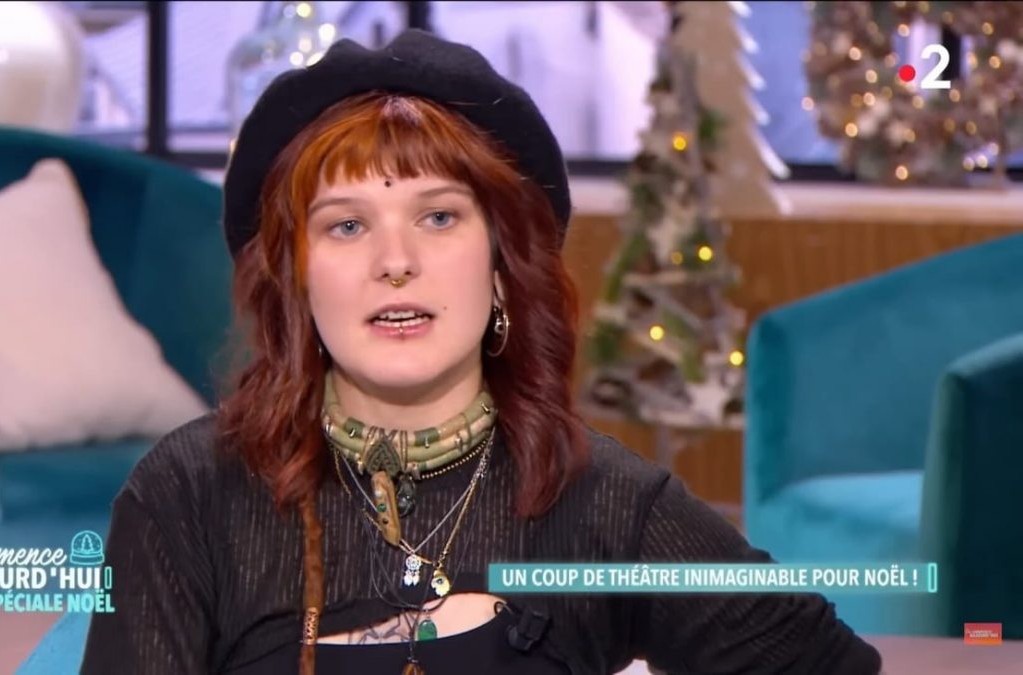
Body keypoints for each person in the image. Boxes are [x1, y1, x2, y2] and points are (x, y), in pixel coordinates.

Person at [81, 29, 882, 675]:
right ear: (296, 279)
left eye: (438, 217)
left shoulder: (605, 502)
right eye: (347, 225)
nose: (395, 261)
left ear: (502, 264)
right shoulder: (187, 497)